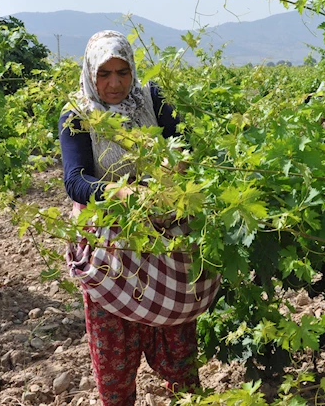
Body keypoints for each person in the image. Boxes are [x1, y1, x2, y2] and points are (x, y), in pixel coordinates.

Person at [58, 30, 220, 406]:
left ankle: (184, 397)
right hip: (109, 246)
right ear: (90, 74)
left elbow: (182, 145)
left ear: (133, 71)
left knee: (178, 342)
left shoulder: (152, 99)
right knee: (114, 349)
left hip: (164, 234)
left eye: (122, 72)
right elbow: (75, 180)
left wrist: (174, 164)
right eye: (104, 74)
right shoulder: (77, 114)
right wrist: (119, 192)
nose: (114, 83)